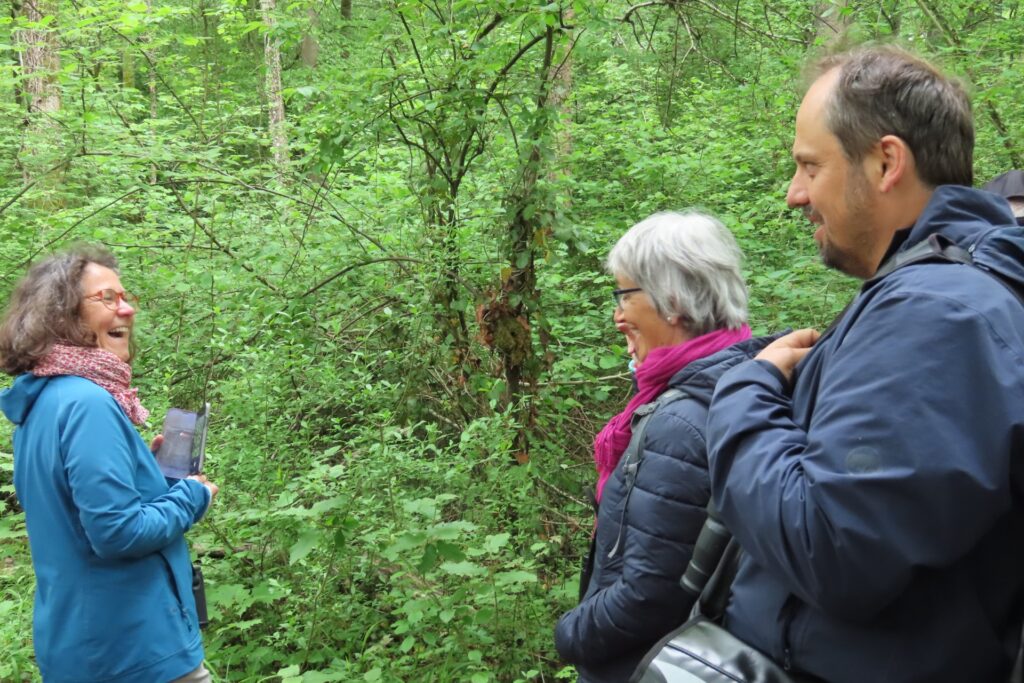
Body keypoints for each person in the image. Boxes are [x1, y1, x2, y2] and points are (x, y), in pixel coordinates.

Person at [705, 46, 1024, 682]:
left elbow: (833, 547)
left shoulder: (941, 313)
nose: (794, 196)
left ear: (885, 162)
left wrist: (745, 391)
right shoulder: (943, 293)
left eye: (808, 167)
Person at [554, 211, 778, 682]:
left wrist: (570, 637)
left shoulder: (682, 420)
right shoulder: (746, 384)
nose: (616, 316)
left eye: (623, 295)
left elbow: (652, 592)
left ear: (672, 301)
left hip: (646, 666)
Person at [0, 245, 219, 683]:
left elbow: (76, 514)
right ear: (60, 314)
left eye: (125, 296)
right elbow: (118, 533)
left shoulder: (42, 400)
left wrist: (149, 477)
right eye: (108, 298)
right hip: (134, 649)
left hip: (81, 643)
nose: (128, 308)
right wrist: (192, 495)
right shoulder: (88, 403)